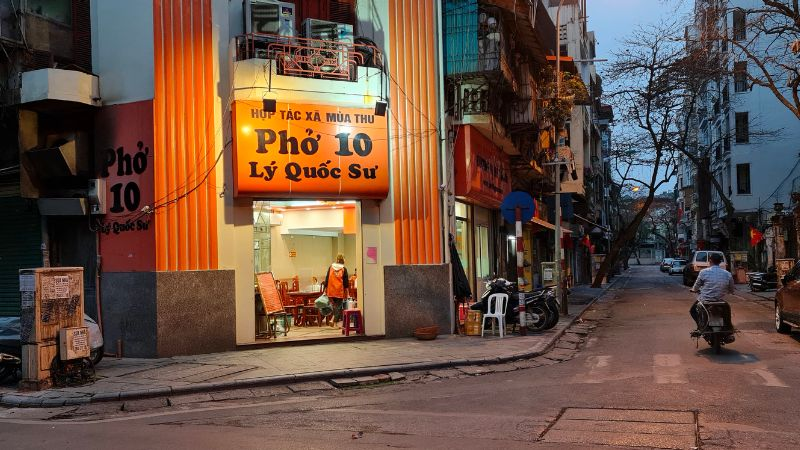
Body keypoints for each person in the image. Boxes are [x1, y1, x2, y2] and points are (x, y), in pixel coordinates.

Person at [689, 252, 733, 332]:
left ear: (710, 261)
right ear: (720, 262)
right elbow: (731, 289)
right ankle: (729, 327)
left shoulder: (703, 272)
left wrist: (694, 289)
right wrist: (729, 291)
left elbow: (697, 285)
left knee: (693, 310)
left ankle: (700, 326)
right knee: (727, 309)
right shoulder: (727, 274)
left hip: (705, 300)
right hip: (720, 300)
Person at [322, 254, 349, 326]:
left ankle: (334, 322)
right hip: (339, 290)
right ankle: (333, 320)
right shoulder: (343, 269)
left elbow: (327, 278)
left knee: (334, 306)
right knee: (338, 306)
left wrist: (325, 289)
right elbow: (346, 282)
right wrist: (347, 292)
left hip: (330, 290)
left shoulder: (331, 267)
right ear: (343, 260)